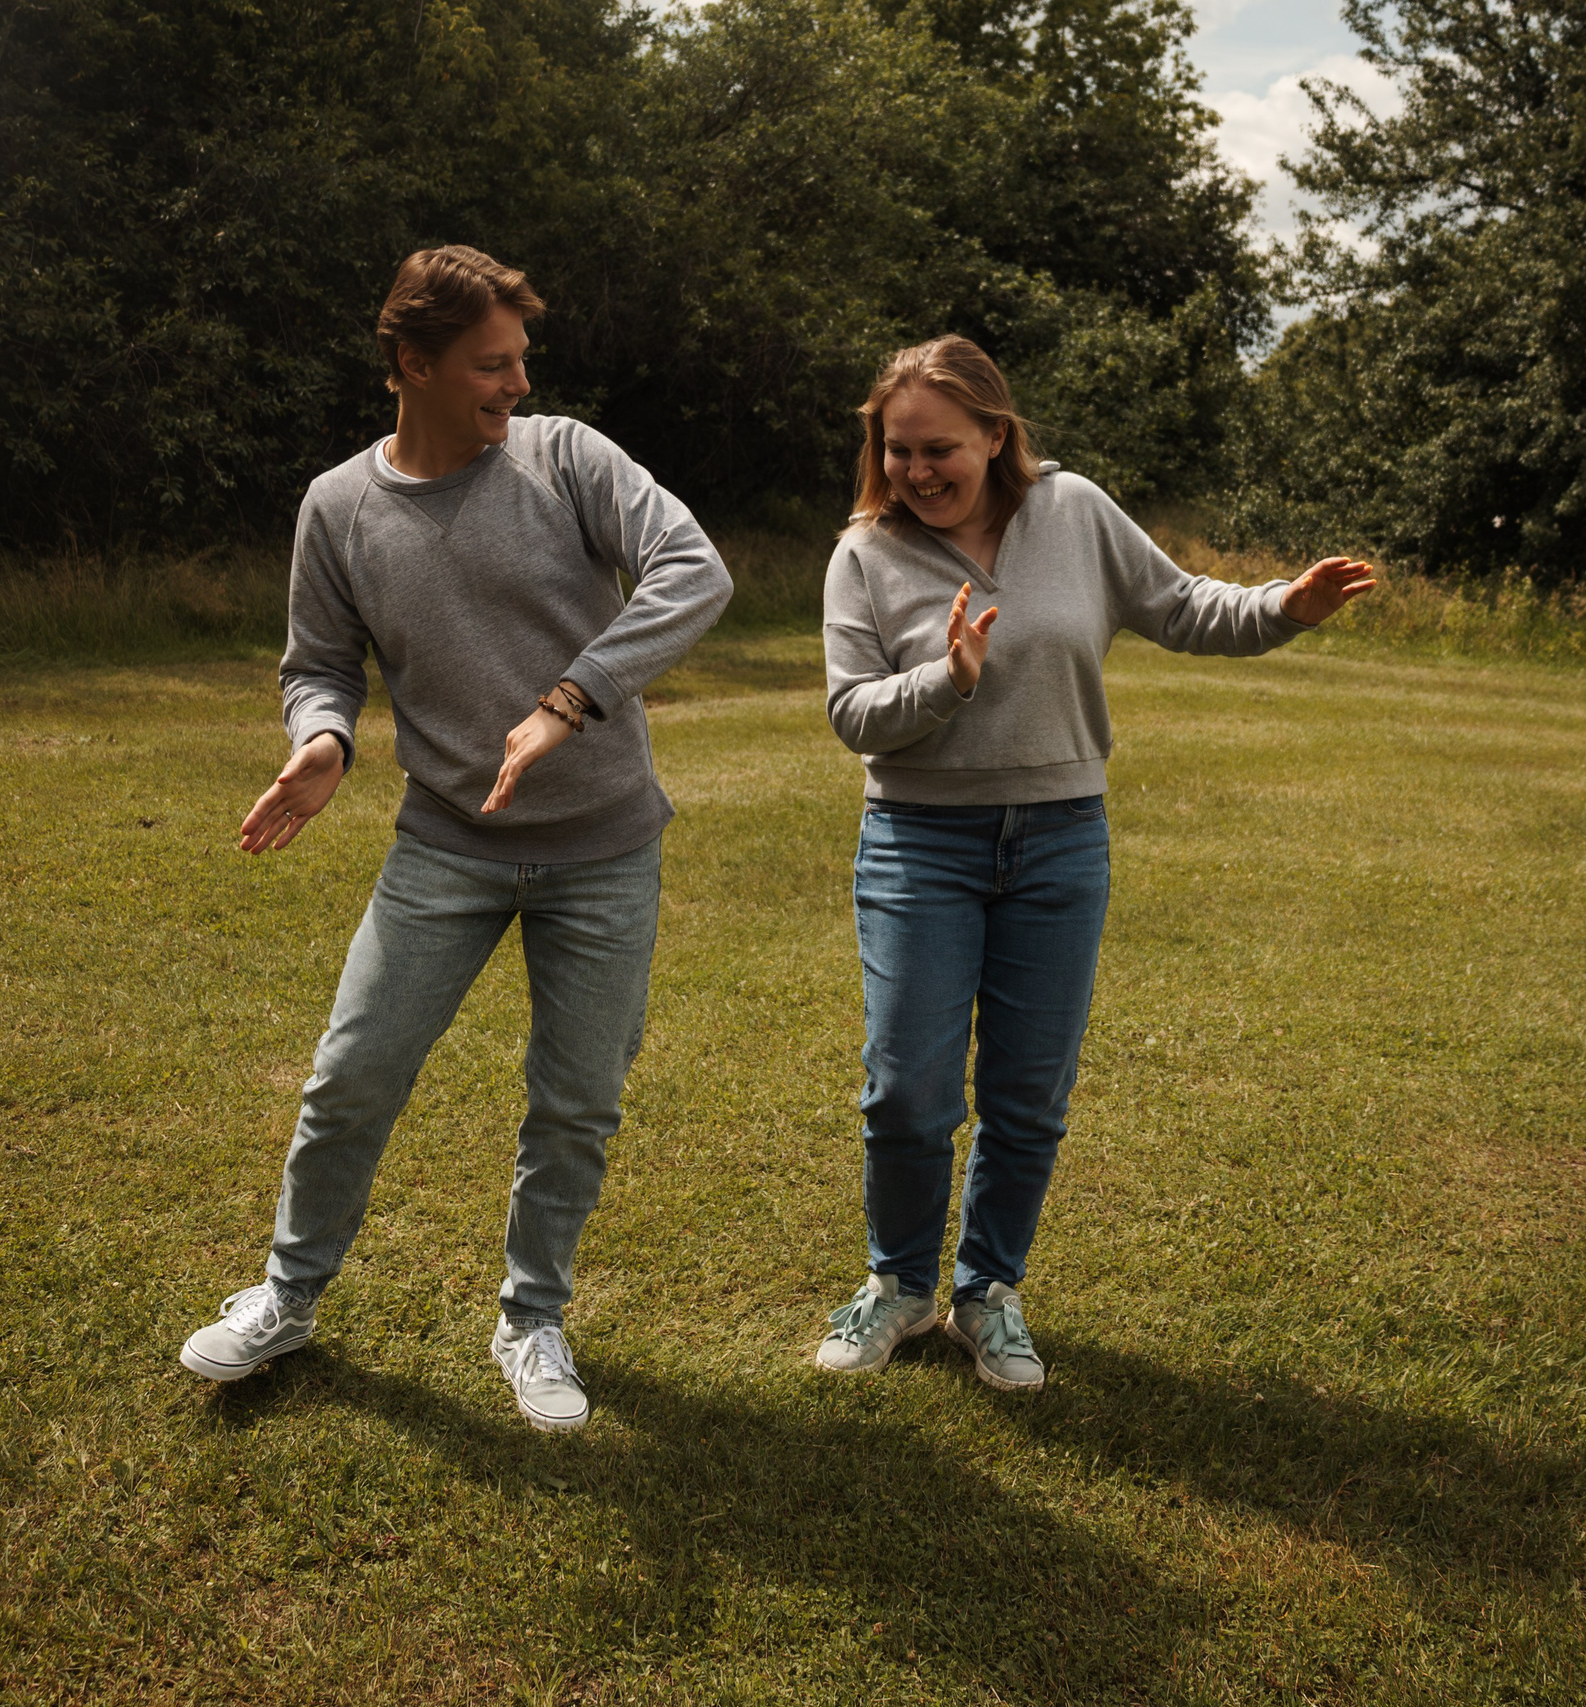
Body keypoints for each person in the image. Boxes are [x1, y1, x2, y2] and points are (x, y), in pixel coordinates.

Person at [178, 246, 733, 1431]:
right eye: (492, 364)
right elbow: (319, 662)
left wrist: (568, 700)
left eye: (522, 360)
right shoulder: (338, 506)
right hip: (444, 848)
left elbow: (693, 570)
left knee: (575, 1100)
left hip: (603, 848)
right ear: (412, 366)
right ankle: (285, 1296)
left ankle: (532, 1321)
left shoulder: (568, 459)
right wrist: (323, 739)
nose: (517, 385)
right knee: (351, 1075)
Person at [814, 336, 1375, 1390]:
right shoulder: (865, 553)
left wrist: (1282, 607)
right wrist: (945, 680)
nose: (916, 472)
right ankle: (896, 1286)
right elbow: (854, 715)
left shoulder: (1072, 513)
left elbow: (1180, 605)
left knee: (1029, 1091)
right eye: (896, 451)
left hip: (1061, 837)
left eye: (940, 449)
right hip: (919, 843)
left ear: (996, 435)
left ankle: (987, 1296)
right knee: (908, 1090)